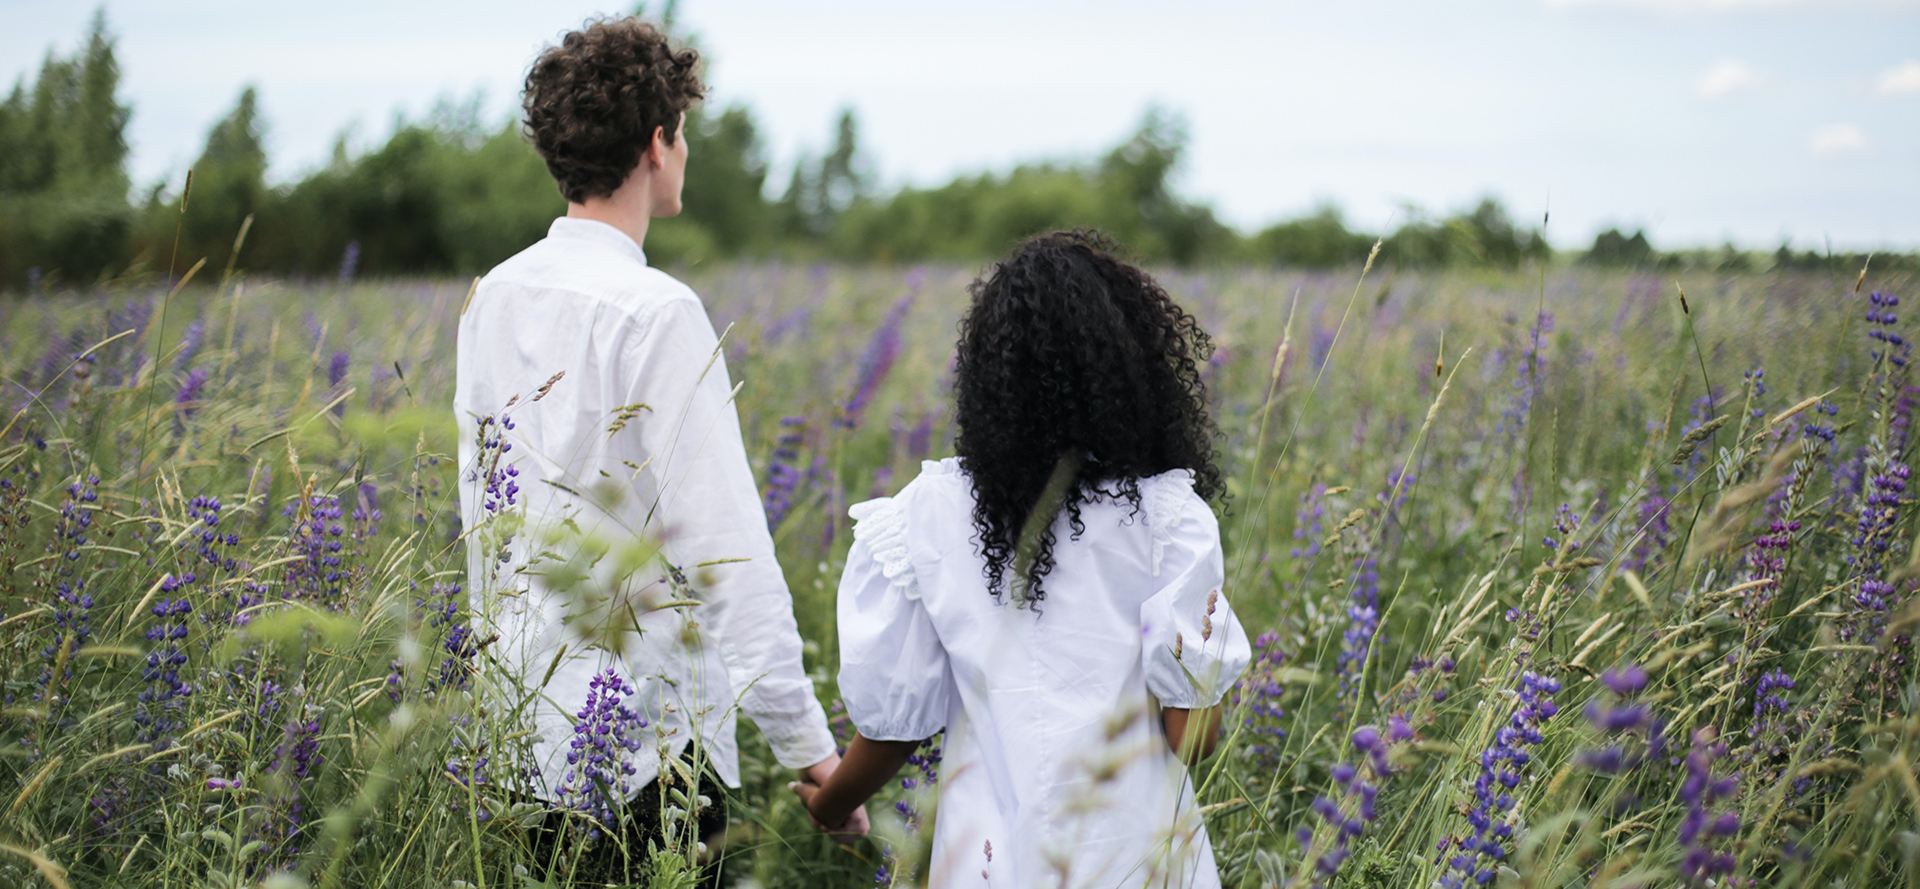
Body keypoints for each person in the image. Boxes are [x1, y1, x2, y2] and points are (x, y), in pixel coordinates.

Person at [453, 17, 861, 884]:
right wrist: (809, 747)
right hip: (643, 751)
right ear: (656, 143)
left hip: (523, 738)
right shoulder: (656, 310)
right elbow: (725, 550)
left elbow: (481, 517)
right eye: (684, 133)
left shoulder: (494, 295)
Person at [791, 230, 1252, 887]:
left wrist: (832, 801)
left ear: (988, 377)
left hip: (985, 859)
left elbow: (896, 728)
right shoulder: (1168, 519)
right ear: (1124, 369)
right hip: (1138, 856)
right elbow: (1193, 737)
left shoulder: (931, 509)